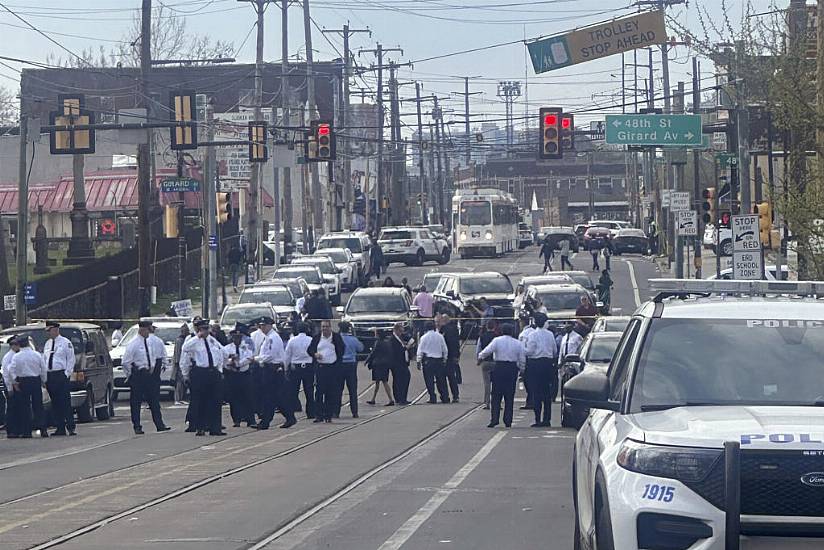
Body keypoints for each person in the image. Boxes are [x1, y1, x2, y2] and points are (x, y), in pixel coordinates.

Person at [122, 321, 171, 435]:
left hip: (150, 375)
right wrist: (130, 375)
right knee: (136, 402)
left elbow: (153, 357)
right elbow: (126, 362)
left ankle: (159, 424)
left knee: (154, 400)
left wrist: (153, 369)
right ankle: (137, 426)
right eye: (148, 330)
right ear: (143, 330)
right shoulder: (133, 344)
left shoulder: (149, 343)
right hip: (139, 375)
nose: (150, 332)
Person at [181, 319, 227, 436]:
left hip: (213, 372)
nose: (206, 331)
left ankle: (215, 428)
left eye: (207, 329)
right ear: (199, 330)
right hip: (201, 372)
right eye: (203, 329)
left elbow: (223, 352)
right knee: (201, 401)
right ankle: (200, 427)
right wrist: (198, 337)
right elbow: (185, 348)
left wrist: (220, 369)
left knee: (216, 400)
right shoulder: (194, 341)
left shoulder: (212, 340)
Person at [478, 323, 526, 428]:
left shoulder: (497, 341)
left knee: (496, 395)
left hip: (499, 367)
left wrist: (480, 357)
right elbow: (522, 358)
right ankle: (508, 420)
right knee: (509, 396)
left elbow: (486, 351)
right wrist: (522, 369)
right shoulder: (518, 343)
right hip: (512, 369)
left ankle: (494, 419)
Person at [252, 316, 289, 429]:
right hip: (269, 369)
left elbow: (270, 356)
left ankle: (267, 421)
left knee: (272, 396)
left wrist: (256, 359)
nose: (262, 327)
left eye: (264, 325)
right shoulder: (268, 337)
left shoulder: (273, 338)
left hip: (273, 369)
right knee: (272, 397)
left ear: (269, 325)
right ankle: (269, 420)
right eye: (261, 325)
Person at [42, 321, 76, 436]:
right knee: (55, 403)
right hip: (50, 375)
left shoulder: (66, 343)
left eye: (50, 330)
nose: (49, 333)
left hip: (61, 375)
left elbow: (71, 359)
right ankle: (59, 427)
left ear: (55, 329)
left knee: (65, 402)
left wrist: (66, 374)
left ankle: (70, 427)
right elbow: (45, 359)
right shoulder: (47, 344)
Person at [9, 336, 48, 439]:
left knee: (25, 407)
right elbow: (43, 368)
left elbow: (11, 370)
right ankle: (43, 429)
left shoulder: (16, 357)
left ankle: (27, 431)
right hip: (35, 380)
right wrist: (44, 380)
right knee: (38, 406)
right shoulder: (37, 355)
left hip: (23, 382)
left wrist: (15, 382)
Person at [307, 320, 345, 423]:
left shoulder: (336, 337)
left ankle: (328, 414)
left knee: (331, 392)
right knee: (319, 392)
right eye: (323, 327)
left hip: (332, 368)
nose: (325, 329)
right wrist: (315, 354)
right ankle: (319, 415)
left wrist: (336, 361)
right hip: (320, 368)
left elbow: (341, 350)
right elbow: (310, 349)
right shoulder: (317, 337)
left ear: (330, 327)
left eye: (327, 327)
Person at [524, 313, 557, 427]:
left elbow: (530, 351)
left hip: (535, 364)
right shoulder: (550, 334)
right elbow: (554, 350)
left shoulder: (532, 335)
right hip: (547, 363)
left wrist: (523, 348)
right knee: (547, 393)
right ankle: (547, 419)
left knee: (536, 392)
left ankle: (538, 419)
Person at [222, 325, 258, 428]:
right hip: (232, 375)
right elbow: (224, 361)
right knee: (234, 398)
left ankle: (250, 420)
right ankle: (236, 420)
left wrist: (238, 364)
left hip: (244, 374)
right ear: (232, 338)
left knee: (248, 397)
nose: (237, 339)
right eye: (235, 337)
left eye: (239, 337)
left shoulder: (246, 347)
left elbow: (249, 358)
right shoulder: (227, 348)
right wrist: (230, 362)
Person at [284, 322, 315, 420]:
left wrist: (285, 368)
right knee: (309, 390)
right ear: (307, 330)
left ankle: (293, 410)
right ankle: (311, 412)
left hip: (295, 367)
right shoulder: (311, 340)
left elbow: (287, 355)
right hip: (308, 367)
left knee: (293, 390)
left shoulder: (292, 341)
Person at [417, 321, 449, 404]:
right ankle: (445, 397)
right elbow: (444, 349)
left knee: (429, 380)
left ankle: (432, 397)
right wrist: (445, 359)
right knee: (441, 380)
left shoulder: (424, 337)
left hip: (428, 361)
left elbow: (420, 350)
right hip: (439, 360)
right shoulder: (440, 336)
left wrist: (418, 361)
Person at [338, 322, 364, 418]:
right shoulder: (353, 339)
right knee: (352, 389)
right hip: (351, 365)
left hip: (340, 365)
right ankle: (355, 412)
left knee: (338, 389)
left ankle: (336, 411)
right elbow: (361, 348)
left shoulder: (337, 338)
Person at [388, 322, 414, 405]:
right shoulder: (392, 339)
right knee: (399, 381)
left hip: (404, 363)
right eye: (400, 331)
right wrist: (406, 348)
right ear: (396, 330)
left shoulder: (401, 337)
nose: (401, 333)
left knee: (405, 379)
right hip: (397, 364)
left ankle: (403, 398)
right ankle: (400, 398)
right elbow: (396, 352)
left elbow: (411, 339)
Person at [365, 331, 394, 405]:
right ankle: (373, 399)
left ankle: (390, 399)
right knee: (381, 381)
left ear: (378, 335)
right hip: (385, 364)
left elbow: (373, 353)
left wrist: (367, 361)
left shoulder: (378, 343)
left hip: (378, 364)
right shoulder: (388, 343)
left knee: (381, 382)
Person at [438, 314, 461, 403]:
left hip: (445, 356)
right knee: (452, 377)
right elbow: (456, 343)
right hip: (451, 356)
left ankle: (445, 396)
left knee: (443, 378)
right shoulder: (454, 329)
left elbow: (451, 343)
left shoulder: (444, 330)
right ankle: (455, 396)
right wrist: (457, 355)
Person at [2, 337, 21, 438]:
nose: (18, 346)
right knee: (12, 409)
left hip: (14, 385)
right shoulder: (9, 357)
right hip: (11, 385)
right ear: (12, 345)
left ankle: (16, 430)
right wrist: (9, 388)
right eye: (16, 344)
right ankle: (12, 430)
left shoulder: (15, 355)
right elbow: (7, 374)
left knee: (16, 408)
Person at [476, 320, 497, 410]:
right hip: (496, 362)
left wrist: (479, 359)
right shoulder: (497, 337)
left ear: (487, 327)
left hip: (485, 362)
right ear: (494, 327)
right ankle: (496, 402)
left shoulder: (482, 337)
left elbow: (478, 349)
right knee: (496, 383)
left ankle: (487, 403)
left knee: (487, 383)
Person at [518, 318, 536, 410]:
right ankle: (532, 400)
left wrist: (521, 366)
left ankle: (531, 402)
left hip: (527, 360)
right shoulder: (534, 332)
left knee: (528, 382)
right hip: (535, 360)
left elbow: (521, 351)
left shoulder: (523, 334)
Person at [172, 323, 192, 404]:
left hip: (184, 363)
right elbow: (178, 353)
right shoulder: (180, 340)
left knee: (184, 382)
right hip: (180, 363)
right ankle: (178, 398)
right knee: (179, 382)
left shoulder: (187, 339)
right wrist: (177, 363)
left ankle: (183, 398)